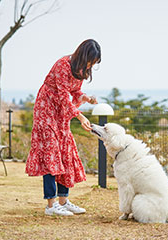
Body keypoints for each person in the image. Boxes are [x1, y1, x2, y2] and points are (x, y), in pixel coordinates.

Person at [25, 39, 101, 216]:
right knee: (50, 152)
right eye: (91, 61)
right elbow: (62, 96)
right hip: (47, 109)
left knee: (65, 152)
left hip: (61, 112)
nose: (91, 65)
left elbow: (73, 92)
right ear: (84, 55)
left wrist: (86, 98)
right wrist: (80, 116)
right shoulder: (63, 64)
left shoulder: (81, 69)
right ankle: (51, 206)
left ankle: (63, 201)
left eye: (94, 63)